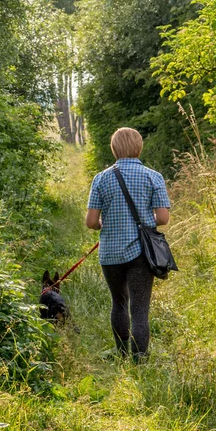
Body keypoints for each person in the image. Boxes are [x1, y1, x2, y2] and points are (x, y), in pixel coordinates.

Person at [86, 127, 170, 363]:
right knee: (140, 311)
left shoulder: (101, 178)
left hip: (111, 254)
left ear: (114, 149)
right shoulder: (153, 176)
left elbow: (91, 221)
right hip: (142, 253)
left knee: (119, 303)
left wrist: (105, 222)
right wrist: (145, 220)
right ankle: (139, 362)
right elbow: (162, 218)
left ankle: (121, 353)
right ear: (139, 147)